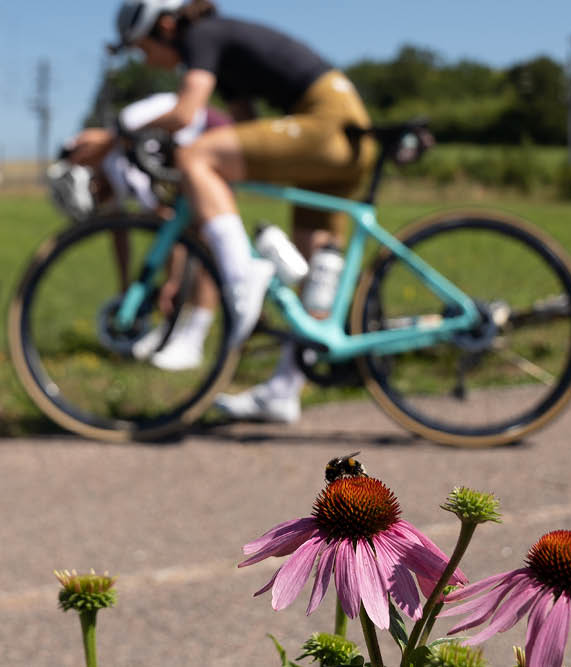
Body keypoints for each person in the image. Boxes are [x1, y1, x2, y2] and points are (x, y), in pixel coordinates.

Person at [110, 0, 376, 422]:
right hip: (345, 130)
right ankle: (284, 390)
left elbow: (184, 113)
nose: (145, 58)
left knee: (196, 156)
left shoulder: (201, 35)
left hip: (324, 124)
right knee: (315, 273)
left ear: (164, 25)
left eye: (143, 46)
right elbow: (244, 128)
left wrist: (115, 135)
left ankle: (242, 276)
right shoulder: (225, 52)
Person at [49, 92, 230, 370]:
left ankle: (193, 335)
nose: (100, 198)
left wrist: (172, 280)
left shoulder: (122, 151)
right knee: (198, 241)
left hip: (211, 139)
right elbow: (118, 234)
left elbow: (169, 227)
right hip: (195, 150)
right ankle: (177, 331)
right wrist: (125, 291)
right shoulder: (114, 159)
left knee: (205, 242)